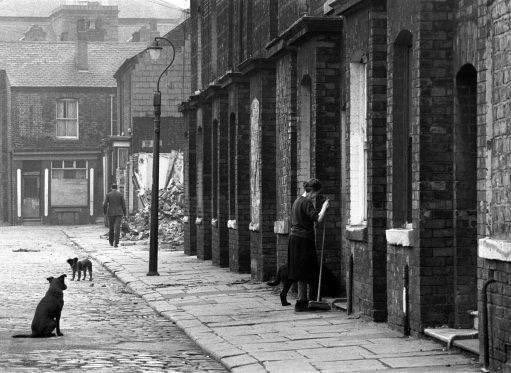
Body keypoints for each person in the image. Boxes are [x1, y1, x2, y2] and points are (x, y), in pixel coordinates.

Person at [288, 178, 329, 312]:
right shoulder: (307, 202)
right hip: (304, 240)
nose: (316, 196)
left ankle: (302, 301)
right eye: (316, 194)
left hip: (294, 239)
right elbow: (318, 219)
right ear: (311, 191)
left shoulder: (297, 201)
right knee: (307, 270)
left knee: (301, 270)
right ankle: (303, 302)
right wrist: (324, 207)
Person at [103, 183, 126, 247]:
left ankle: (111, 242)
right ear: (117, 188)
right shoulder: (120, 194)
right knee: (117, 228)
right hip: (119, 213)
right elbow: (123, 205)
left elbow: (105, 204)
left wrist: (105, 212)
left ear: (111, 188)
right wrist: (125, 213)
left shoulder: (108, 194)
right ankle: (116, 242)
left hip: (110, 213)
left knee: (111, 228)